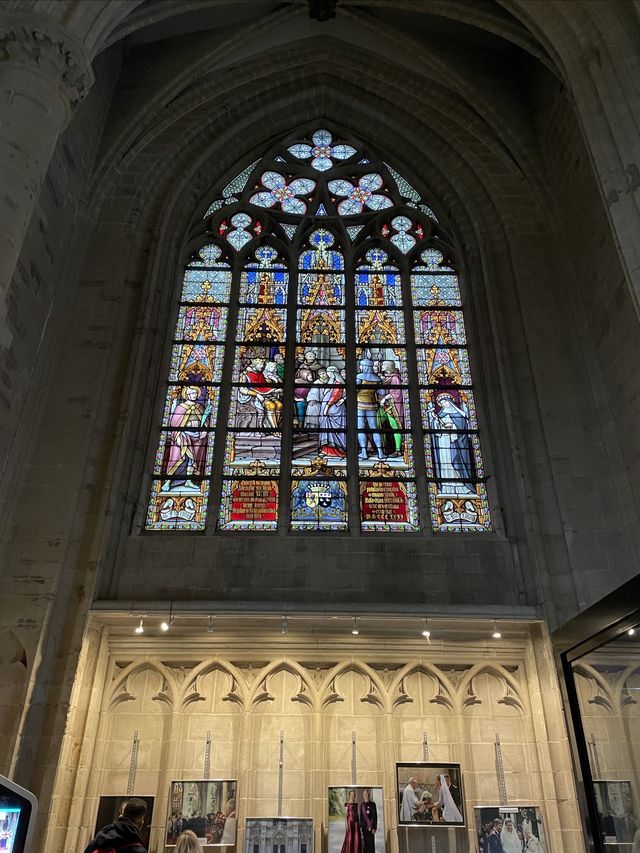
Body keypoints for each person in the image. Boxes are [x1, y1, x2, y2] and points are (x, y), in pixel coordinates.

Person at [427, 391, 475, 494]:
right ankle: (445, 487)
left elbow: (462, 429)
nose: (444, 405)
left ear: (450, 402)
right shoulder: (441, 414)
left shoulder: (459, 415)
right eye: (442, 403)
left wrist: (452, 427)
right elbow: (435, 428)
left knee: (456, 462)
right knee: (446, 463)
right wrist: (436, 421)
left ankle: (462, 486)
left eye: (445, 402)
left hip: (454, 443)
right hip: (443, 442)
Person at [357, 357, 384, 460]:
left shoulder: (360, 377)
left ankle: (364, 452)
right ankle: (380, 452)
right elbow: (382, 393)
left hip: (359, 404)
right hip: (372, 405)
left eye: (361, 365)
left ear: (365, 366)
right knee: (374, 428)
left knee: (361, 428)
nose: (360, 367)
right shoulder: (377, 379)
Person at [319, 366, 347, 456]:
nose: (327, 374)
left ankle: (338, 450)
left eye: (329, 372)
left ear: (334, 373)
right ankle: (326, 450)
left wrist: (327, 406)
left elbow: (335, 395)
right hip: (330, 410)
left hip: (334, 410)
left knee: (334, 429)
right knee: (326, 429)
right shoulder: (333, 383)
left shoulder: (338, 383)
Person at [359, 788, 377, 853]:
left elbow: (375, 816)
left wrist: (374, 828)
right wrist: (360, 828)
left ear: (368, 795)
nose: (365, 795)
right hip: (364, 828)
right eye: (364, 794)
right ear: (363, 795)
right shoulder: (361, 805)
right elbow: (361, 817)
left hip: (371, 827)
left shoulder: (372, 804)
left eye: (366, 794)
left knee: (371, 844)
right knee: (365, 845)